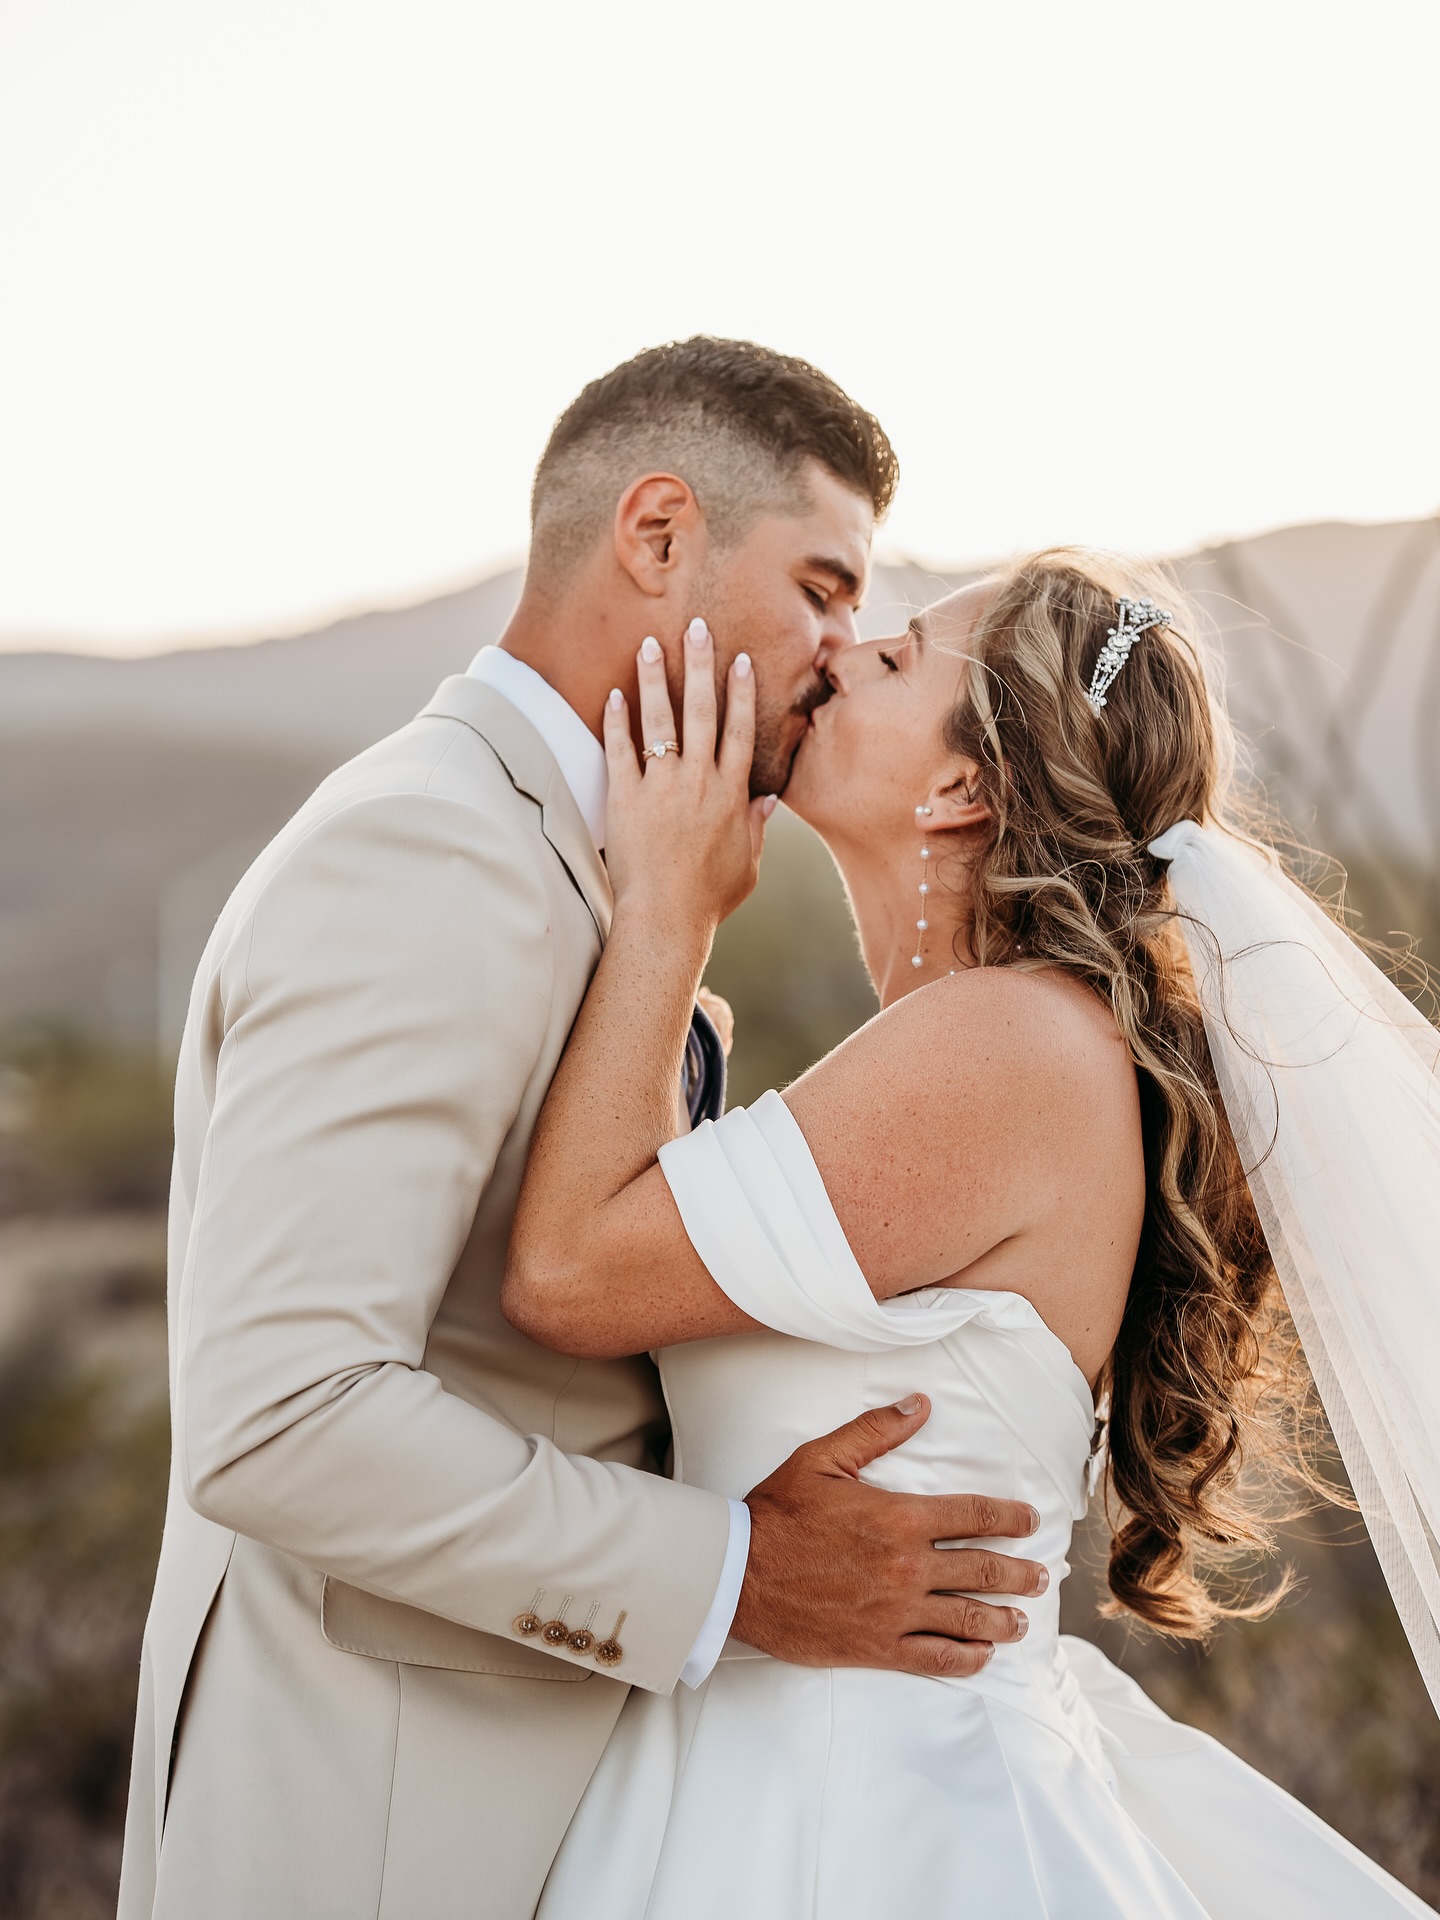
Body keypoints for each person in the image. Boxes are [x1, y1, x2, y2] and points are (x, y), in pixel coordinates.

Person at [117, 339, 1050, 1920]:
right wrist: (738, 1574)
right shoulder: (431, 851)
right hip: (370, 1836)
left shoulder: (603, 866)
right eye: (823, 587)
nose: (843, 648)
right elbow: (279, 1412)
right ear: (661, 533)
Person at [506, 550, 1440, 1918]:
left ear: (965, 787)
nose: (836, 659)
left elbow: (569, 1272)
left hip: (869, 1815)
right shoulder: (998, 1041)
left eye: (889, 661)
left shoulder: (1005, 1043)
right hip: (796, 1763)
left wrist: (669, 909)